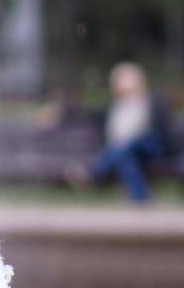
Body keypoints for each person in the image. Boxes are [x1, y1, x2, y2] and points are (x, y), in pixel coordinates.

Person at [66, 62, 175, 203]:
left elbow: (165, 130)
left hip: (150, 146)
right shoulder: (114, 106)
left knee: (126, 145)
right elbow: (87, 114)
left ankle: (92, 173)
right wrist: (57, 112)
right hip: (125, 151)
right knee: (125, 156)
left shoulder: (153, 101)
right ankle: (141, 198)